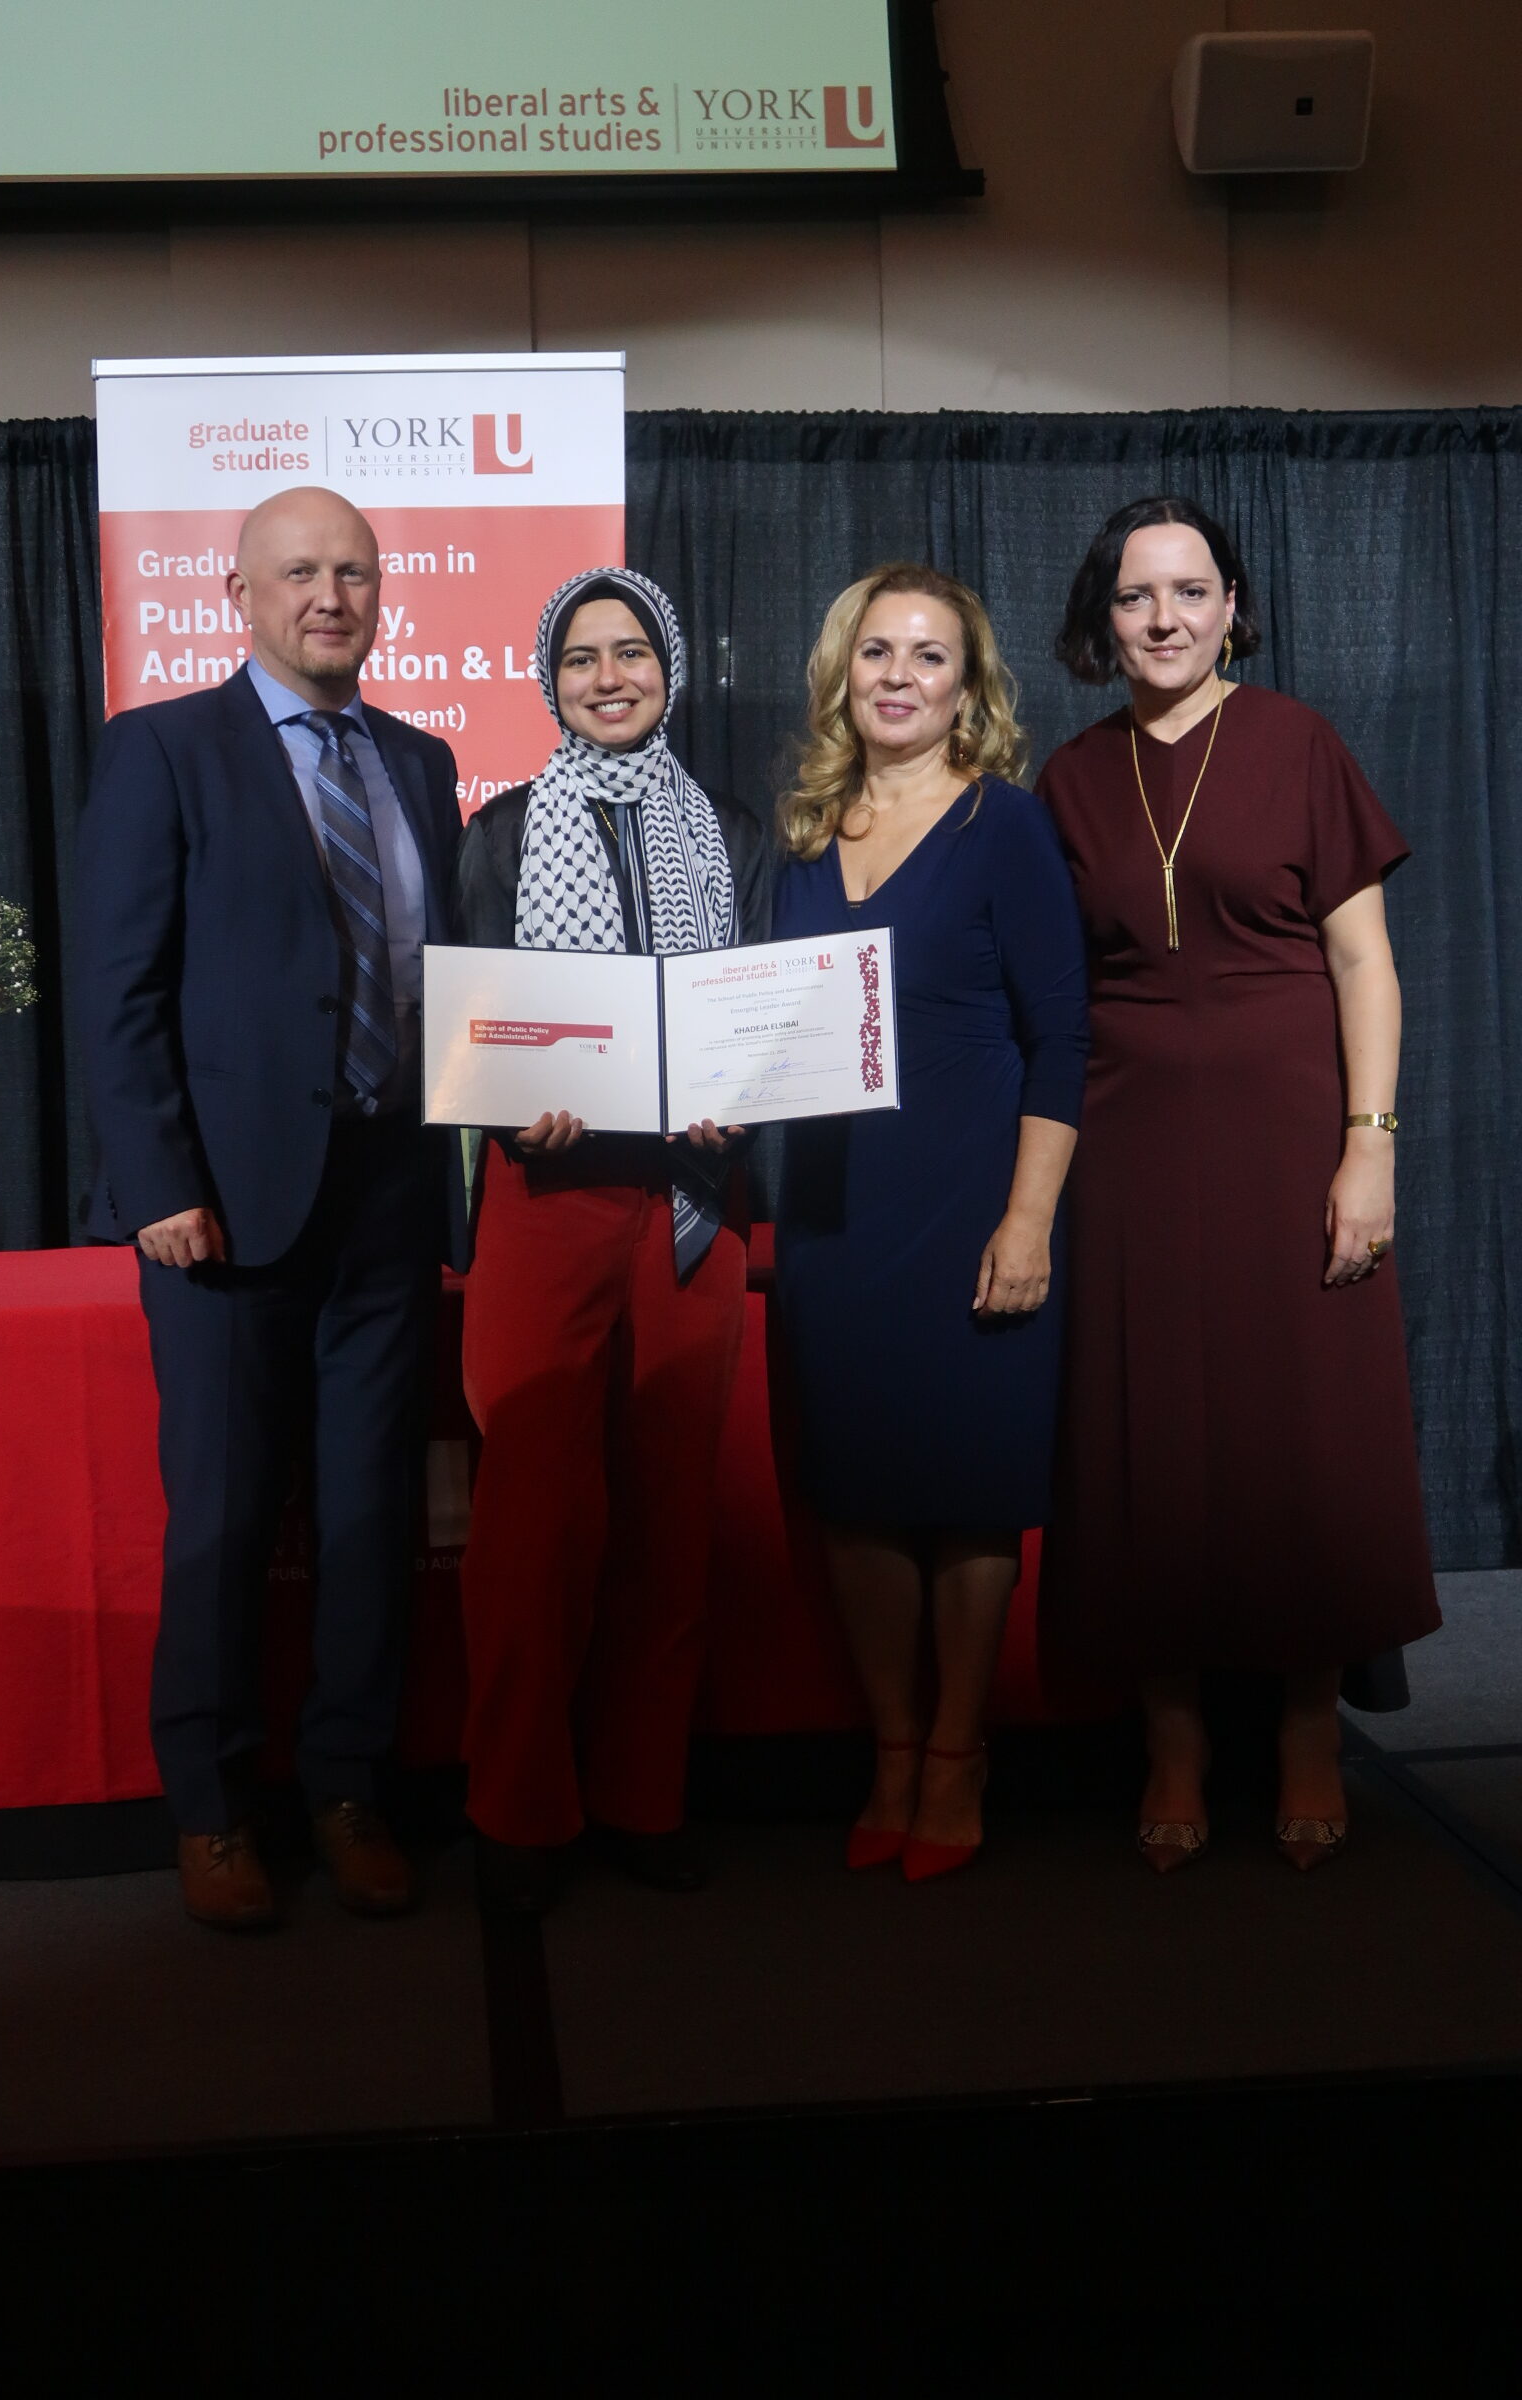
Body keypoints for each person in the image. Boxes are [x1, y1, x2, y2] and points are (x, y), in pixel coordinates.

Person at [77, 486, 466, 1930]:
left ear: (383, 594)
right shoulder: (161, 752)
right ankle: (214, 1808)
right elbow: (118, 995)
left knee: (372, 1517)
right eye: (300, 571)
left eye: (354, 572)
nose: (332, 595)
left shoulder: (421, 764)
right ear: (239, 594)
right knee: (226, 1522)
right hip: (223, 1218)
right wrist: (160, 1186)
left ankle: (351, 1785)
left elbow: (445, 994)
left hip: (385, 1199)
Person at [1037, 494, 1441, 1872]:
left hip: (1289, 1139)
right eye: (1138, 596)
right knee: (1147, 1438)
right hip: (1127, 1150)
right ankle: (1172, 1737)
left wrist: (1369, 1141)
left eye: (1191, 592)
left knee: (1300, 1437)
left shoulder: (1296, 745)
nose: (1164, 618)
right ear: (1104, 619)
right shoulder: (1071, 776)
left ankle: (1312, 1729)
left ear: (1233, 609)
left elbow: (1363, 965)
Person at [455, 566, 771, 1916]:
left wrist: (736, 1103)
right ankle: (520, 1814)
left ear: (672, 663)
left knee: (671, 1516)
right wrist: (528, 1097)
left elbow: (765, 1013)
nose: (608, 676)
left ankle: (644, 1797)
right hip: (549, 1196)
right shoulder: (505, 829)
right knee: (535, 1517)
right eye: (580, 657)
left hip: (693, 1208)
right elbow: (475, 1012)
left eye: (631, 650)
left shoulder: (738, 831)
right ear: (549, 679)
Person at [772, 563, 1088, 1880]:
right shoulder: (798, 833)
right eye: (879, 652)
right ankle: (890, 1749)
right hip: (836, 1222)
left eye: (931, 657)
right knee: (855, 1503)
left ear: (970, 688)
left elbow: (1063, 1036)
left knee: (967, 1506)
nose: (900, 676)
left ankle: (959, 1752)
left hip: (972, 1206)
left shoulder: (1001, 827)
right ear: (844, 672)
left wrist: (1029, 1223)